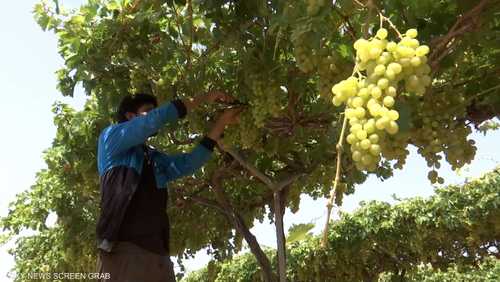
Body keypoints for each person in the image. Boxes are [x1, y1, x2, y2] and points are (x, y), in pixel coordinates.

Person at [95, 91, 240, 281]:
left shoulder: (152, 158)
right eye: (148, 110)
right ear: (130, 116)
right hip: (124, 251)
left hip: (158, 255)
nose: (155, 114)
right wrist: (203, 98)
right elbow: (154, 120)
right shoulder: (110, 138)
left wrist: (221, 123)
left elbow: (189, 163)